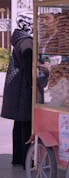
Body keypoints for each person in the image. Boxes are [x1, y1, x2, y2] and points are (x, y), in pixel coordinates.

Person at [1, 12, 33, 168]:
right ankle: (27, 159)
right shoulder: (27, 43)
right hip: (23, 89)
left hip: (17, 87)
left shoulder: (20, 39)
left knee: (19, 124)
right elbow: (28, 68)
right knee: (26, 123)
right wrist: (34, 85)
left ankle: (18, 158)